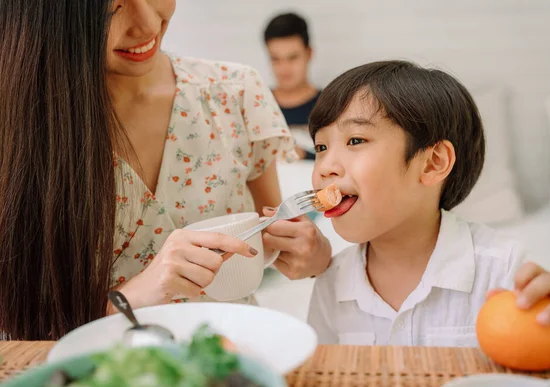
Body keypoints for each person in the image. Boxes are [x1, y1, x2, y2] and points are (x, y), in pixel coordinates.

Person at [0, 0, 332, 341]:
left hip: (236, 363)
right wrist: (135, 295)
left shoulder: (234, 92)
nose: (146, 25)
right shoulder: (20, 129)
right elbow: (24, 326)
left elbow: (275, 236)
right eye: (109, 10)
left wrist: (312, 256)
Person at [306, 61, 550, 353]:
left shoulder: (505, 270)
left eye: (355, 140)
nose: (325, 168)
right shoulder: (331, 281)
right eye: (321, 148)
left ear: (433, 163)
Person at [263, 12, 320, 160]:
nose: (284, 68)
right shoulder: (258, 105)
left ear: (309, 54)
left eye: (292, 58)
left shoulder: (331, 106)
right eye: (276, 59)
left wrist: (303, 155)